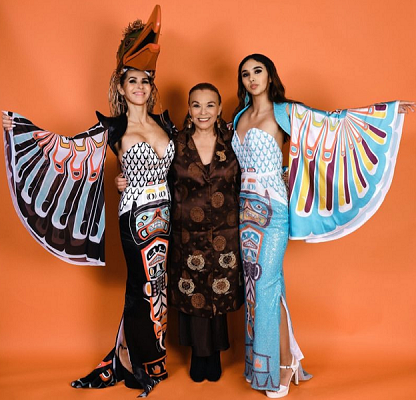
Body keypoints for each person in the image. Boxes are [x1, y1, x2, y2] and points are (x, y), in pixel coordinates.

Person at [2, 7, 175, 397]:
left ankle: (141, 359)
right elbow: (68, 148)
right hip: (134, 217)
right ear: (122, 85)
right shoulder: (113, 128)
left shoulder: (166, 124)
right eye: (133, 81)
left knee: (158, 285)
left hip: (166, 215)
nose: (140, 88)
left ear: (151, 86)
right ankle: (135, 366)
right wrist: (24, 129)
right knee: (141, 285)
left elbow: (185, 166)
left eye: (145, 82)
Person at [231, 53, 414, 398]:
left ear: (270, 76)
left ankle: (280, 365)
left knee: (266, 285)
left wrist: (387, 111)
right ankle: (291, 358)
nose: (252, 78)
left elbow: (333, 122)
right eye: (245, 74)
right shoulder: (240, 116)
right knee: (261, 284)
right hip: (244, 212)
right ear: (240, 81)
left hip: (273, 209)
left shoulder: (286, 112)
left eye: (258, 71)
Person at [116, 83, 243, 382]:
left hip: (224, 233)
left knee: (218, 293)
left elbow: (250, 173)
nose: (203, 112)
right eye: (196, 105)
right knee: (194, 295)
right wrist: (123, 180)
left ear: (220, 109)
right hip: (186, 234)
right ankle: (200, 356)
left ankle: (215, 355)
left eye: (210, 105)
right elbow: (151, 171)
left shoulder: (233, 140)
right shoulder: (176, 142)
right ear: (188, 108)